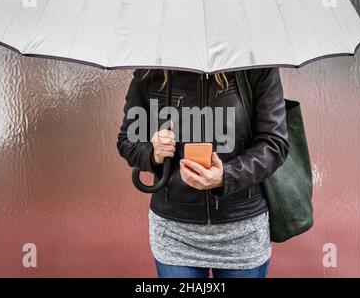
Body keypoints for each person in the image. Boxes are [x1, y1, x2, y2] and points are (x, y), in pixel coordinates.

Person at [117, 68, 289, 278]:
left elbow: (274, 143)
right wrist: (153, 153)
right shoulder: (151, 70)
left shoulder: (256, 67)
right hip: (175, 233)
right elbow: (128, 141)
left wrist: (226, 176)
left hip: (243, 231)